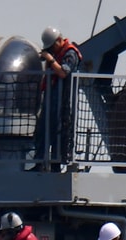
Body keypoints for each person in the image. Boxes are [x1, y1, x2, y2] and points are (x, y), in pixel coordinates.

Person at [35, 26, 82, 169]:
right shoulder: (56, 54)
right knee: (43, 131)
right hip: (51, 100)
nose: (51, 51)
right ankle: (39, 162)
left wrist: (50, 59)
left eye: (51, 47)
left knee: (59, 133)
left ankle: (56, 164)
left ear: (59, 41)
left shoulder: (70, 53)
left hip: (63, 101)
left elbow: (63, 72)